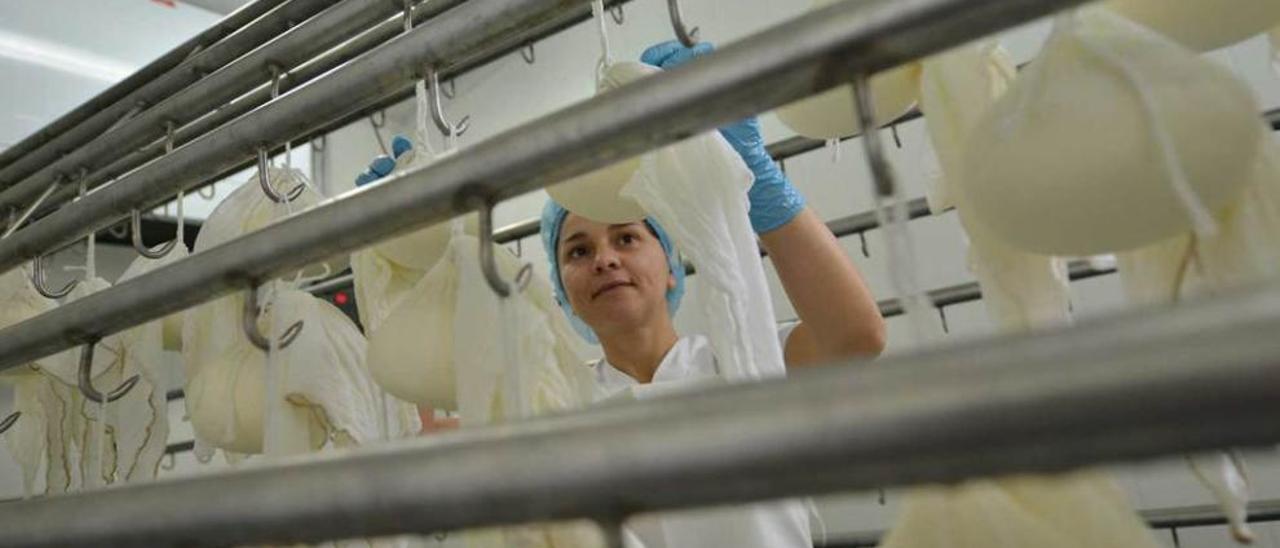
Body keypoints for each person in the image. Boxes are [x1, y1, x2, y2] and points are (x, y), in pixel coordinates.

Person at [359, 40, 885, 548]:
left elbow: (857, 336)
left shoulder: (743, 359)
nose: (605, 259)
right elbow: (427, 434)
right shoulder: (557, 399)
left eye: (627, 238)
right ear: (563, 292)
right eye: (578, 252)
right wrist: (417, 268)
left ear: (672, 266)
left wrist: (759, 184)